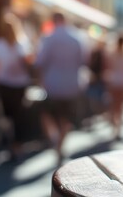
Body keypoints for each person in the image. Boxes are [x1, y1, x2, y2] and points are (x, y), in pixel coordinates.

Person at [35, 13, 83, 165]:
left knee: (48, 113)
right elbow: (83, 61)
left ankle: (56, 141)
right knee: (65, 117)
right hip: (71, 84)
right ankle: (60, 144)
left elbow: (40, 61)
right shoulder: (76, 39)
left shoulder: (49, 38)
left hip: (53, 84)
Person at [0, 15, 32, 158]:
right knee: (18, 117)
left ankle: (12, 144)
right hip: (19, 84)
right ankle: (17, 145)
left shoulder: (0, 44)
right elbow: (29, 62)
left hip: (5, 84)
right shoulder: (22, 43)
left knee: (8, 117)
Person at [104, 31, 123, 139]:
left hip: (115, 81)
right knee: (120, 105)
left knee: (114, 104)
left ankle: (115, 124)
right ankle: (118, 126)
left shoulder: (112, 53)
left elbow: (108, 68)